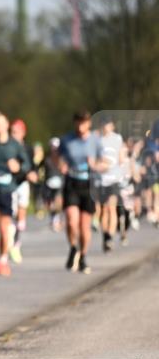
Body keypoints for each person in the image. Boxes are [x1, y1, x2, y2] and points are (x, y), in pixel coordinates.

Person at [54, 109, 104, 274]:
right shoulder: (67, 140)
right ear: (75, 122)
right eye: (78, 121)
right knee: (71, 220)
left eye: (84, 122)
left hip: (88, 184)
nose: (81, 125)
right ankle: (73, 248)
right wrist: (61, 164)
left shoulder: (95, 141)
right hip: (71, 183)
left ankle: (83, 256)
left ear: (89, 123)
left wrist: (95, 165)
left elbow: (105, 163)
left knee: (84, 226)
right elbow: (56, 156)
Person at [0, 112, 30, 277]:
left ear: (6, 125)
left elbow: (26, 165)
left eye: (1, 123)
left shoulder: (15, 145)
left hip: (8, 191)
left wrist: (18, 167)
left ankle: (3, 260)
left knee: (4, 229)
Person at [8, 119, 37, 263]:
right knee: (10, 214)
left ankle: (16, 244)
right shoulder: (7, 147)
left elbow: (32, 166)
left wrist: (33, 174)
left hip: (23, 183)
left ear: (23, 133)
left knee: (21, 213)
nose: (14, 135)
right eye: (12, 132)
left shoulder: (28, 148)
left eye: (16, 132)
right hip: (10, 183)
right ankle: (10, 242)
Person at [96, 116, 124, 253]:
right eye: (104, 125)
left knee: (111, 208)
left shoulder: (117, 139)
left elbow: (121, 158)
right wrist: (100, 165)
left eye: (108, 125)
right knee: (103, 210)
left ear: (112, 126)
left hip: (113, 179)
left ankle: (110, 237)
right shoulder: (98, 139)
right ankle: (105, 234)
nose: (106, 127)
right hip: (101, 180)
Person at [43, 137, 66, 231]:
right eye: (53, 147)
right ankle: (54, 217)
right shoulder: (46, 159)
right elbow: (40, 169)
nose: (54, 149)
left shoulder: (63, 159)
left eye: (56, 147)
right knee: (49, 204)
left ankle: (57, 219)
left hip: (60, 183)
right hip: (48, 184)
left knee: (58, 202)